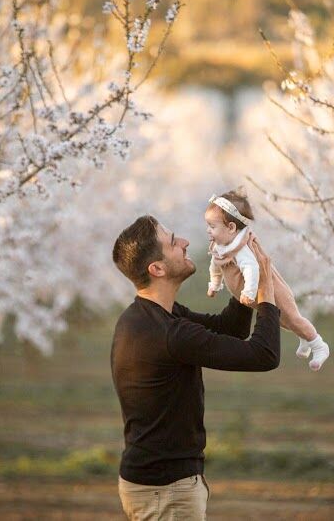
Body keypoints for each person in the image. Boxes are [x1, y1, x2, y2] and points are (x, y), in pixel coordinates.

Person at [111, 215, 281, 520]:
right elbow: (264, 355)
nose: (185, 242)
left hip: (154, 484)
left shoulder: (148, 317)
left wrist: (244, 285)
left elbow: (230, 329)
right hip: (167, 491)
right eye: (173, 241)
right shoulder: (170, 333)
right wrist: (266, 295)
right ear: (157, 269)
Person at [205, 188, 330, 371]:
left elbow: (252, 269)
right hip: (256, 296)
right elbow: (215, 265)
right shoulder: (221, 246)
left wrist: (248, 292)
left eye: (212, 226)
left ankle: (318, 344)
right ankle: (304, 338)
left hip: (269, 290)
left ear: (231, 228)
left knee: (292, 317)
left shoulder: (242, 249)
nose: (208, 230)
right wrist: (215, 284)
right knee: (282, 320)